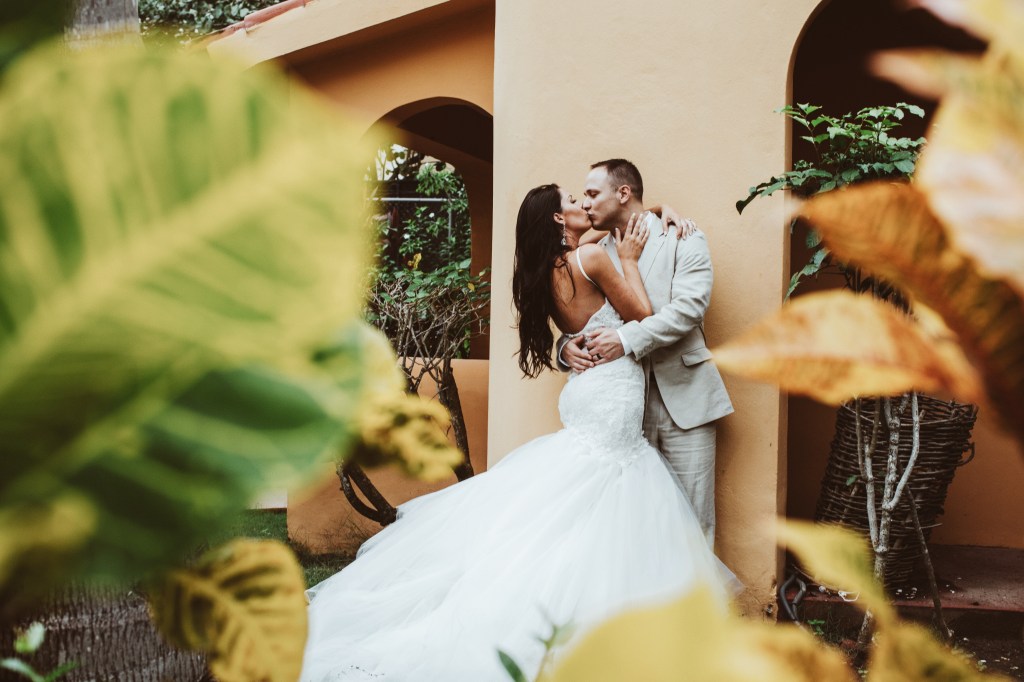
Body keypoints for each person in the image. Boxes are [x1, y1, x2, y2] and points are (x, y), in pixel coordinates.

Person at [299, 184, 735, 682]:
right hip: (611, 396)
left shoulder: (547, 268)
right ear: (557, 219)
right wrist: (631, 260)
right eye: (572, 200)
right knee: (608, 508)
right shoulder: (593, 257)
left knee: (575, 518)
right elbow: (643, 317)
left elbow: (594, 277)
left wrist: (660, 208)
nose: (583, 203)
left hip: (587, 393)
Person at [559, 159, 734, 549]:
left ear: (623, 193)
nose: (585, 203)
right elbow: (578, 316)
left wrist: (625, 339)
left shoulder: (683, 236)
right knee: (632, 527)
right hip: (622, 413)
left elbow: (688, 311)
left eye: (592, 194)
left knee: (693, 522)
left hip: (686, 401)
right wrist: (563, 347)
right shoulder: (593, 253)